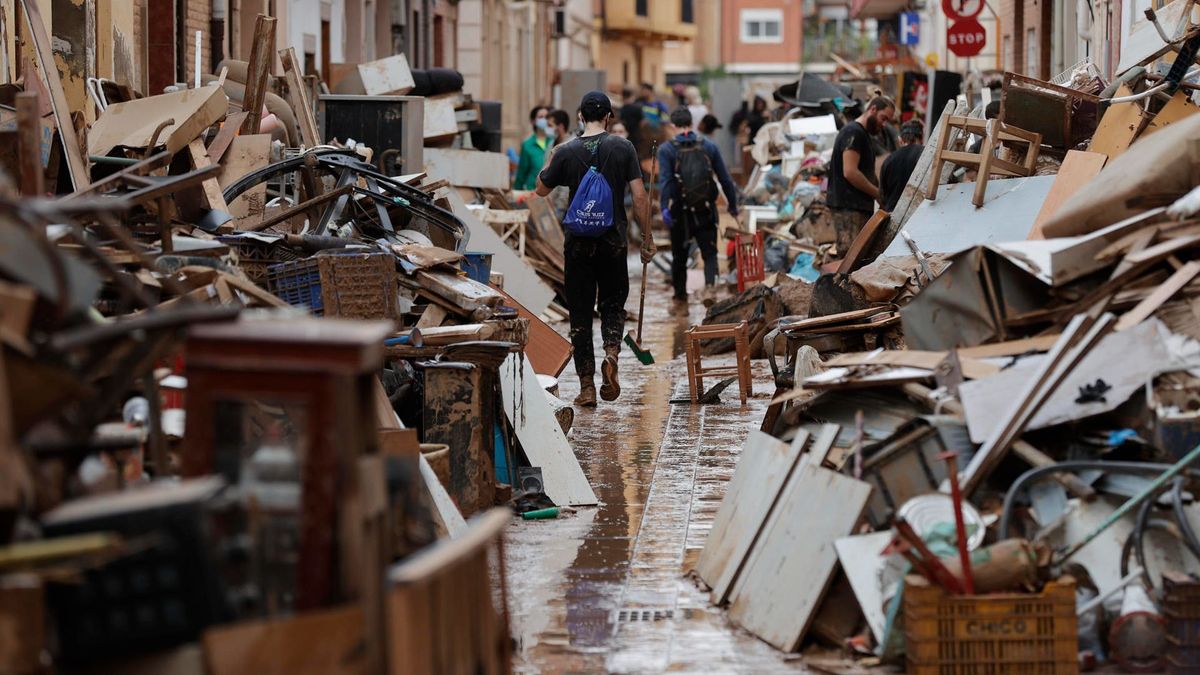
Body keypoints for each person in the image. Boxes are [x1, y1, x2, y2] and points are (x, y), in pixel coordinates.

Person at [536, 91, 653, 407]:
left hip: (578, 245)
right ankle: (612, 354)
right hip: (613, 241)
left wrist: (553, 156)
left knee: (580, 315)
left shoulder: (566, 151)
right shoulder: (623, 147)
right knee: (613, 304)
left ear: (579, 117)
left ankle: (587, 387)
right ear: (609, 117)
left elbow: (540, 188)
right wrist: (647, 237)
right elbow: (640, 198)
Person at [658, 108, 739, 305]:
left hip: (680, 212)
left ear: (672, 126)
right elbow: (725, 179)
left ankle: (680, 299)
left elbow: (666, 182)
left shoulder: (666, 150)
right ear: (691, 124)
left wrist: (664, 208)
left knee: (679, 256)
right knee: (710, 254)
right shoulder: (709, 146)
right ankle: (710, 288)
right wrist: (732, 205)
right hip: (705, 210)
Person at [827, 95, 895, 253]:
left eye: (887, 121)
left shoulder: (862, 135)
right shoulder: (854, 132)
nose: (884, 125)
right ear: (872, 109)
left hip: (855, 207)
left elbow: (866, 172)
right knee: (849, 258)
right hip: (848, 208)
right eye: (883, 118)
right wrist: (878, 194)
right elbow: (850, 172)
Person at [879, 120, 924, 213]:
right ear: (921, 138)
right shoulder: (926, 155)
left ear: (900, 139)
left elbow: (882, 196)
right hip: (918, 215)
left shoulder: (888, 160)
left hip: (893, 215)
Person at [514, 105, 551, 190]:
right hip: (532, 191)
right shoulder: (527, 145)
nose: (544, 120)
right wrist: (516, 191)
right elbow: (522, 172)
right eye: (541, 117)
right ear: (533, 121)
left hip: (550, 192)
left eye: (547, 117)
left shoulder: (554, 142)